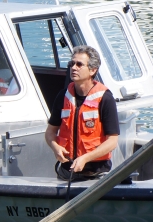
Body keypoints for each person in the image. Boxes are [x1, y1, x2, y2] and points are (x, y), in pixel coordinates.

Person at [44, 46, 119, 180]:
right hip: (66, 172)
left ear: (92, 70)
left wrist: (86, 158)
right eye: (72, 64)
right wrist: (55, 147)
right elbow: (50, 132)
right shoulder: (63, 96)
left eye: (79, 64)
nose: (73, 68)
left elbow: (112, 141)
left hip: (97, 174)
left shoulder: (105, 98)